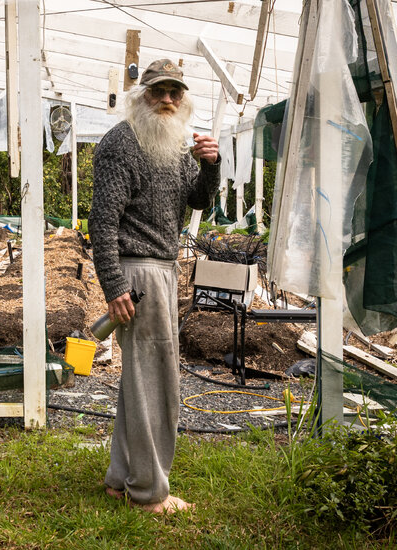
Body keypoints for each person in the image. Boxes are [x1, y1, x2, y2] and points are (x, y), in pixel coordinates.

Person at [88, 59, 220, 514]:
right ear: (140, 96)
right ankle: (148, 493)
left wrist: (210, 166)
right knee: (158, 383)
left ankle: (120, 480)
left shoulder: (175, 144)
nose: (167, 99)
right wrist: (114, 283)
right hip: (138, 272)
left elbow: (198, 199)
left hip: (162, 269)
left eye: (175, 92)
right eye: (158, 91)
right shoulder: (122, 143)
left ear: (183, 99)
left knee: (138, 382)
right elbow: (102, 221)